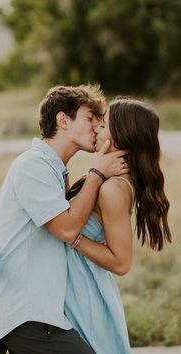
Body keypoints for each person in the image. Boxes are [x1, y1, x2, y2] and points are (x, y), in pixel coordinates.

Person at [0, 85, 128, 354]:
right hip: (27, 315)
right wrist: (97, 172)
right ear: (63, 121)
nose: (97, 127)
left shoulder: (55, 169)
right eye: (90, 118)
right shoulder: (33, 165)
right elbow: (66, 228)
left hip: (46, 314)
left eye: (99, 120)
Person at [64, 98, 172, 354]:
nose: (98, 127)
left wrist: (72, 237)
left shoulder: (113, 188)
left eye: (105, 123)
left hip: (84, 289)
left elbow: (122, 263)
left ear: (123, 135)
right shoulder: (108, 178)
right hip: (75, 283)